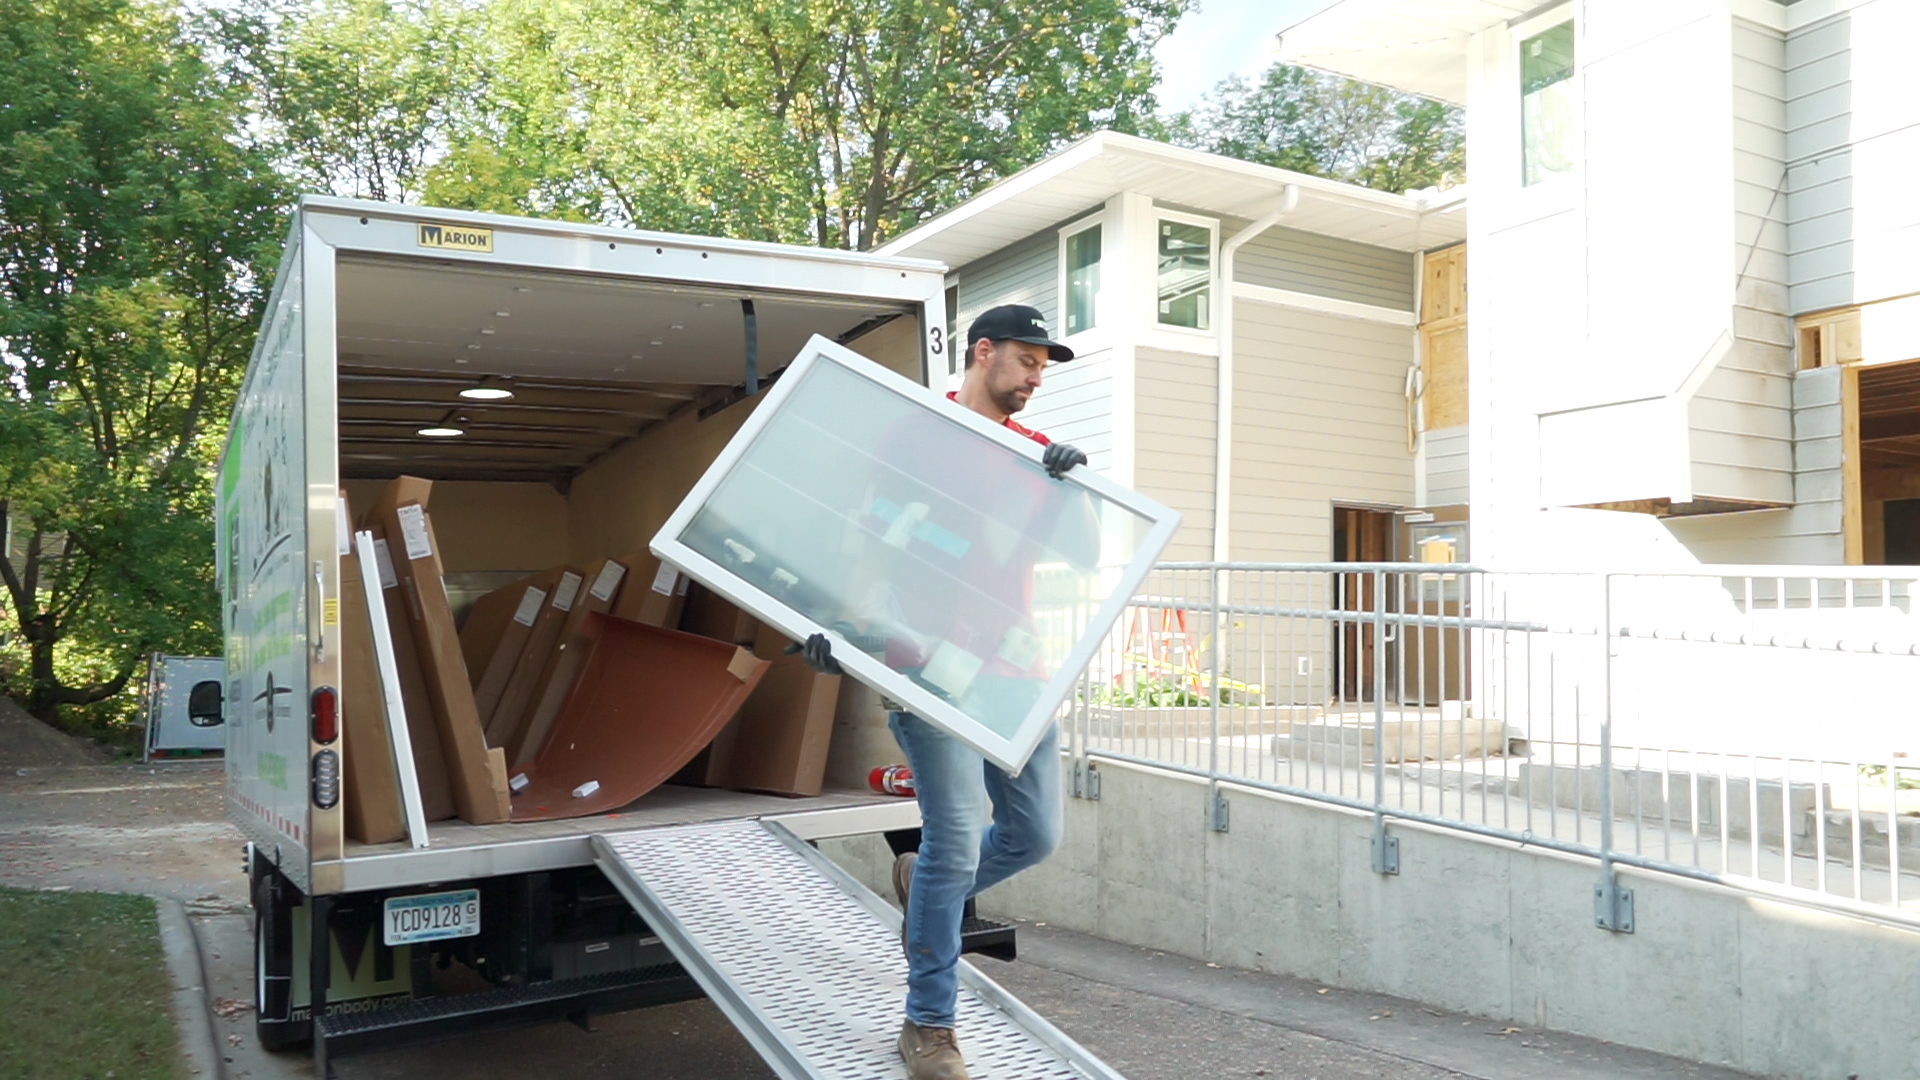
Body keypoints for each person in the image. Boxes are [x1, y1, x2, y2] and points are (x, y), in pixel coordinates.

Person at [798, 303, 1086, 1080]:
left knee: (1034, 836)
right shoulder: (917, 434)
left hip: (1016, 673)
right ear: (983, 352)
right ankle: (928, 1025)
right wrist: (833, 625)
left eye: (1042, 368)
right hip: (927, 668)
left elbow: (1088, 556)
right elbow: (864, 537)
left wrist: (1073, 487)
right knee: (955, 842)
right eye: (1027, 361)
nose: (1035, 378)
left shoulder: (1033, 454)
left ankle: (922, 886)